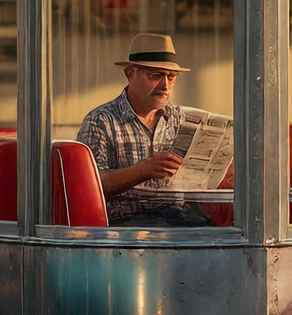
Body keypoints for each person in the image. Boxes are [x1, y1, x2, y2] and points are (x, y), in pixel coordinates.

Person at [77, 33, 214, 227]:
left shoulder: (181, 119)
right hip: (125, 227)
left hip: (180, 220)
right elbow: (88, 185)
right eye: (155, 75)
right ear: (130, 73)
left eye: (171, 77)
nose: (165, 85)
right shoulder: (101, 121)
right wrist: (143, 170)